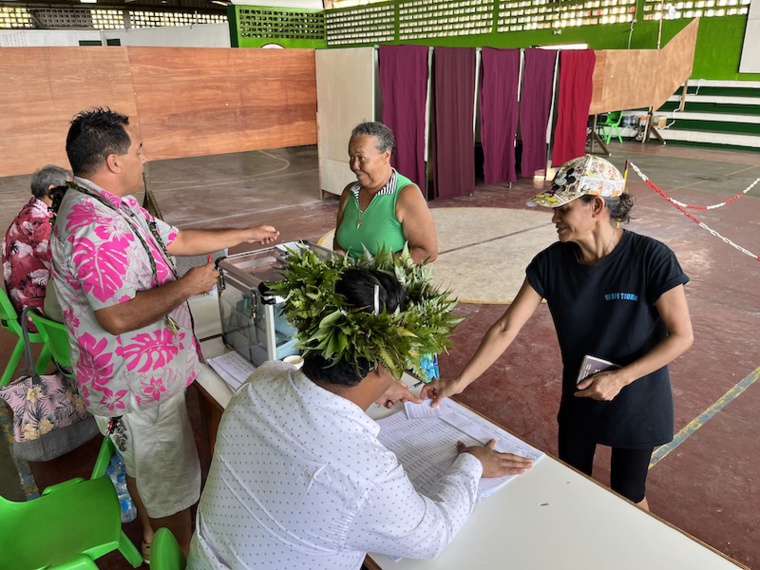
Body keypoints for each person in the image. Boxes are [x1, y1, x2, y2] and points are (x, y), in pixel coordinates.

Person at [187, 255, 533, 569]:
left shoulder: (262, 379)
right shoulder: (366, 473)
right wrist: (472, 464)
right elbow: (433, 536)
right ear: (385, 362)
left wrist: (377, 385)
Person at [48, 107, 280, 559]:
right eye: (137, 150)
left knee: (142, 466)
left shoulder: (112, 205)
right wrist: (188, 286)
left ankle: (154, 538)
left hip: (136, 381)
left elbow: (175, 240)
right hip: (137, 386)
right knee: (171, 485)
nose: (143, 157)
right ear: (113, 162)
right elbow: (115, 317)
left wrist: (246, 230)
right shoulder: (95, 226)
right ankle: (181, 552)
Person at [422, 154, 694, 511]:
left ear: (596, 206)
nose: (553, 218)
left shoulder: (651, 258)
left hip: (638, 396)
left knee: (629, 494)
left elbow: (681, 336)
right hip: (581, 394)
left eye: (562, 209)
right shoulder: (551, 262)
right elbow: (506, 327)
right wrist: (460, 381)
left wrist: (620, 378)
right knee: (572, 483)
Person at [334, 121, 437, 264]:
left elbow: (427, 251)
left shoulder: (406, 194)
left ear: (386, 156)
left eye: (361, 158)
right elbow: (339, 242)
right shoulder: (349, 192)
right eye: (351, 157)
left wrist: (376, 273)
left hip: (385, 282)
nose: (354, 165)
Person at [2, 164, 71, 319]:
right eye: (69, 189)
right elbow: (60, 264)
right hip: (35, 313)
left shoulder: (29, 210)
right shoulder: (39, 221)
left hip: (23, 303)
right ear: (52, 191)